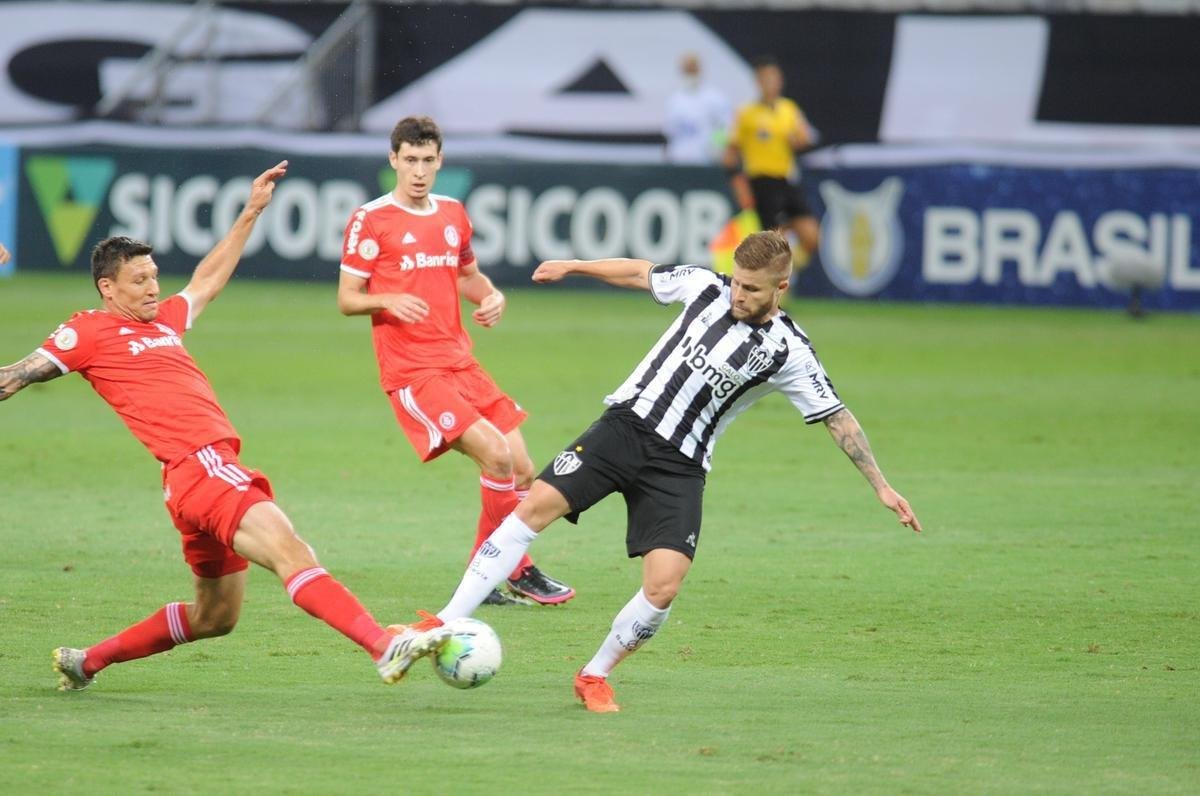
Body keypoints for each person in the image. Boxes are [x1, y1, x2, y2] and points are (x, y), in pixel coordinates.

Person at [394, 230, 922, 712]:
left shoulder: (790, 351)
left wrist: (881, 485)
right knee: (533, 508)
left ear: (780, 288)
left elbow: (836, 416)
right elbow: (638, 271)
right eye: (737, 282)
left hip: (680, 466)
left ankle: (594, 675)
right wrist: (575, 266)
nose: (738, 295)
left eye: (752, 290)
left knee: (664, 586)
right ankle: (442, 622)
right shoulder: (706, 287)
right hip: (624, 428)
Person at [0, 162, 450, 691]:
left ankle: (85, 662)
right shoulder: (88, 332)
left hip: (187, 482)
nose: (152, 287)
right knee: (292, 553)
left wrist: (251, 211)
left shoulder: (163, 321)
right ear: (107, 287)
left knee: (215, 616)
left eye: (154, 276)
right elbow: (12, 378)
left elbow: (207, 280)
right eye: (139, 280)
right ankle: (384, 646)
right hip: (203, 465)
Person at [337, 115, 574, 607]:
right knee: (498, 457)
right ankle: (515, 568)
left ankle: (482, 572)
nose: (419, 171)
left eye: (428, 160)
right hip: (413, 371)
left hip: (460, 362)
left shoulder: (452, 213)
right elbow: (347, 297)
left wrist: (491, 295)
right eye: (410, 160)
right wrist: (386, 299)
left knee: (523, 469)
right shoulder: (371, 219)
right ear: (393, 159)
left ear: (440, 160)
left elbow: (467, 276)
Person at [724, 56, 821, 263]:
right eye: (766, 78)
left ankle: (789, 270)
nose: (771, 83)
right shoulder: (746, 113)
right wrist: (738, 184)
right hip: (761, 181)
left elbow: (805, 139)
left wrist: (798, 140)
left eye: (774, 78)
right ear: (758, 81)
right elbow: (730, 154)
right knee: (775, 241)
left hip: (786, 179)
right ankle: (777, 276)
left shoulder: (789, 109)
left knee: (811, 235)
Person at [663, 52, 732, 166]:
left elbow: (722, 127)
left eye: (693, 69)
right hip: (678, 160)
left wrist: (717, 147)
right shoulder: (674, 100)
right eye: (687, 69)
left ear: (699, 69)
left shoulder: (715, 98)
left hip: (704, 161)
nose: (690, 73)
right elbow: (670, 133)